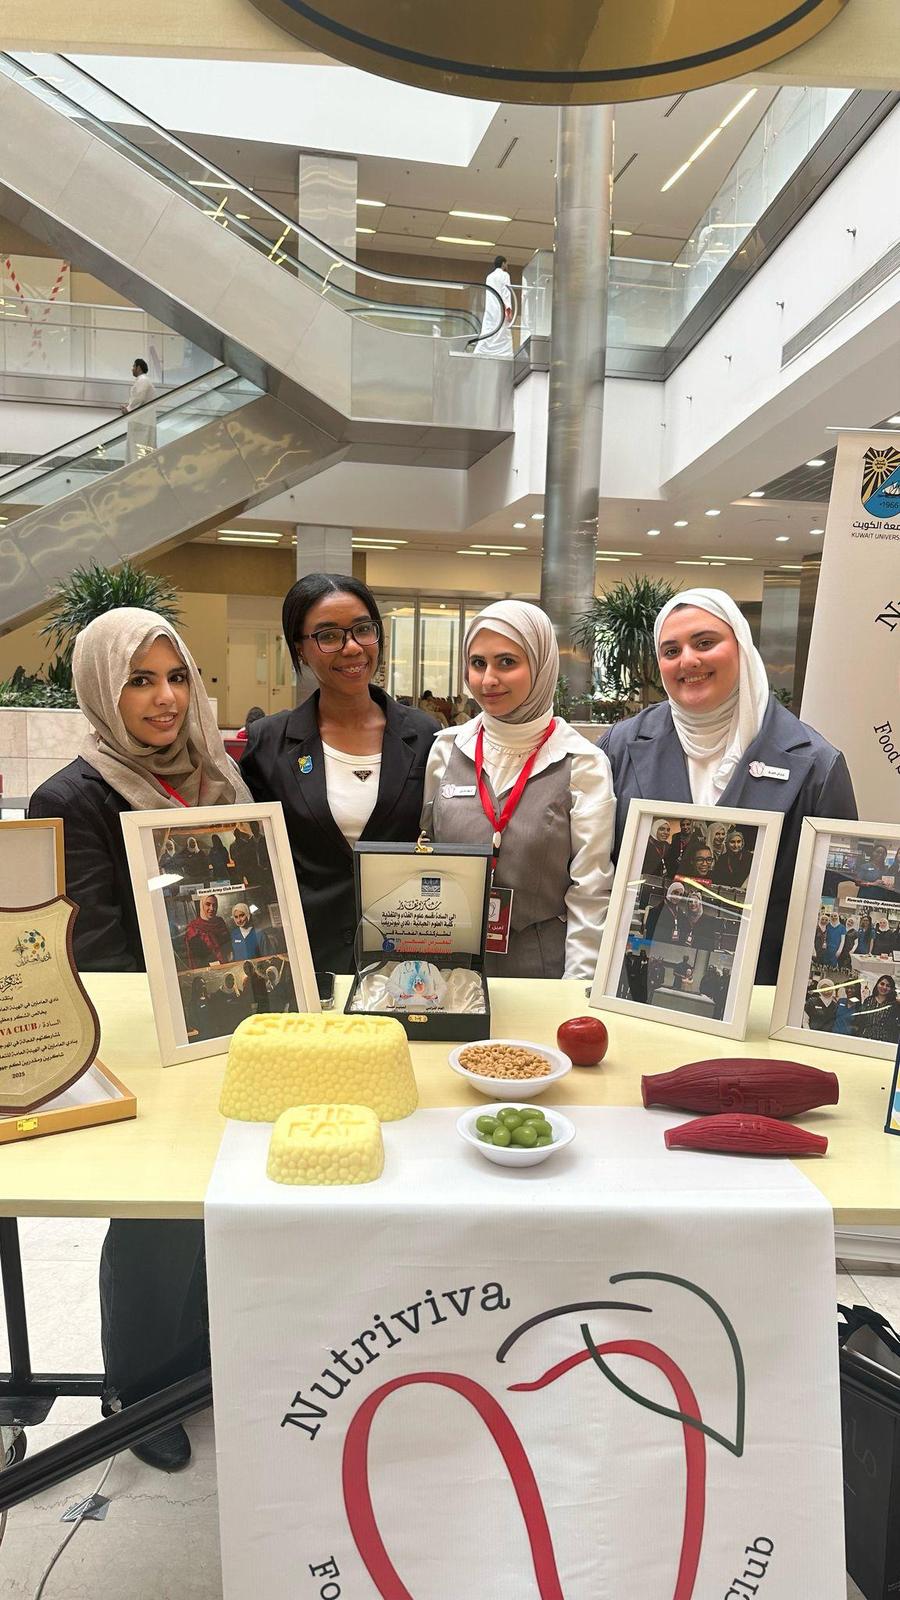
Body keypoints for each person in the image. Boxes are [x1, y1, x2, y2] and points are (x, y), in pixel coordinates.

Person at [28, 607, 250, 1474]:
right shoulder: (73, 796)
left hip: (229, 1024)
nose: (166, 699)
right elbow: (95, 946)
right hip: (144, 1037)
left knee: (215, 1206)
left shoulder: (217, 776)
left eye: (177, 677)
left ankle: (196, 1364)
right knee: (154, 1217)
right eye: (140, 681)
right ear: (100, 689)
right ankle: (136, 1389)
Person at [599, 588, 857, 983]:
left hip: (761, 992)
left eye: (705, 643)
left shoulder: (817, 765)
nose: (688, 660)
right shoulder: (619, 747)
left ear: (742, 648)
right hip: (633, 983)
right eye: (671, 650)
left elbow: (827, 900)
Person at [242, 574, 439, 974]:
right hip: (307, 958)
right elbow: (256, 857)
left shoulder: (425, 735)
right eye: (329, 636)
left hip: (404, 959)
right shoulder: (269, 743)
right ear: (300, 648)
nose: (352, 647)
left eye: (363, 629)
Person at [422, 600, 616, 980]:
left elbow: (590, 894)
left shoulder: (582, 763)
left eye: (507, 662)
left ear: (541, 666)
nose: (488, 680)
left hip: (540, 972)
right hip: (448, 967)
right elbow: (425, 853)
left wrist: (574, 992)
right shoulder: (447, 749)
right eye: (478, 663)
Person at [474, 253, 514, 358]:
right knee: (502, 330)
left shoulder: (489, 277)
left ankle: (481, 350)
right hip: (501, 308)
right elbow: (506, 292)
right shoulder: (505, 275)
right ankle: (505, 353)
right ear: (503, 263)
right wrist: (508, 310)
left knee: (489, 329)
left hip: (490, 308)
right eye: (506, 263)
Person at [123, 357, 157, 463]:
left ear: (139, 368)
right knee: (140, 450)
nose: (132, 369)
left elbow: (139, 398)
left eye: (134, 366)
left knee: (137, 451)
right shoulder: (143, 380)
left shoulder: (143, 380)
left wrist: (128, 409)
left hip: (141, 423)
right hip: (142, 421)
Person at [184, 891, 231, 967]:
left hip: (227, 965)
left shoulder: (220, 922)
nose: (211, 908)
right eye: (208, 904)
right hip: (206, 968)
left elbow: (228, 946)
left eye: (214, 905)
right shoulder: (193, 928)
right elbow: (199, 956)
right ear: (202, 906)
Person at [854, 974, 900, 1044]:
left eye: (888, 986)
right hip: (865, 1039)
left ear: (891, 989)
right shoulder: (868, 1000)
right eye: (882, 984)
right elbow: (861, 1019)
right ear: (877, 984)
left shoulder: (894, 1004)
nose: (884, 987)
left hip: (885, 1042)